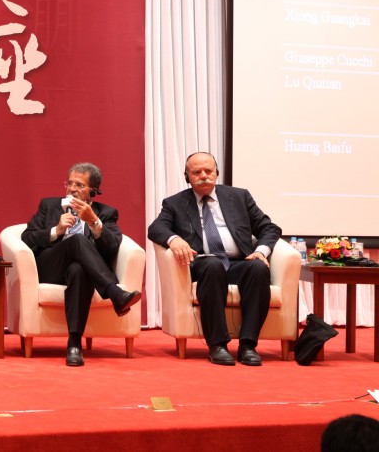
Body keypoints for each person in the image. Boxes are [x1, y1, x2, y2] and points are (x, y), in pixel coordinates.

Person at [148, 151, 281, 366]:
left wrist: (262, 251)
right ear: (187, 176)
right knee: (212, 265)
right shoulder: (175, 203)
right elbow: (156, 228)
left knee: (258, 268)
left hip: (239, 262)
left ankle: (248, 345)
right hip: (204, 262)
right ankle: (217, 345)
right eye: (196, 172)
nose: (203, 175)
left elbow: (269, 227)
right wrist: (174, 240)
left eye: (208, 171)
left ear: (217, 173)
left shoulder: (239, 196)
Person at [21, 162, 142, 366]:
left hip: (81, 272)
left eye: (80, 185)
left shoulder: (106, 213)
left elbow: (113, 247)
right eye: (70, 183)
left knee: (79, 270)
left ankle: (74, 344)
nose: (72, 189)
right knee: (76, 240)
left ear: (93, 191)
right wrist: (56, 231)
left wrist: (94, 222)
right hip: (51, 266)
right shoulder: (48, 205)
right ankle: (115, 293)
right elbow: (27, 238)